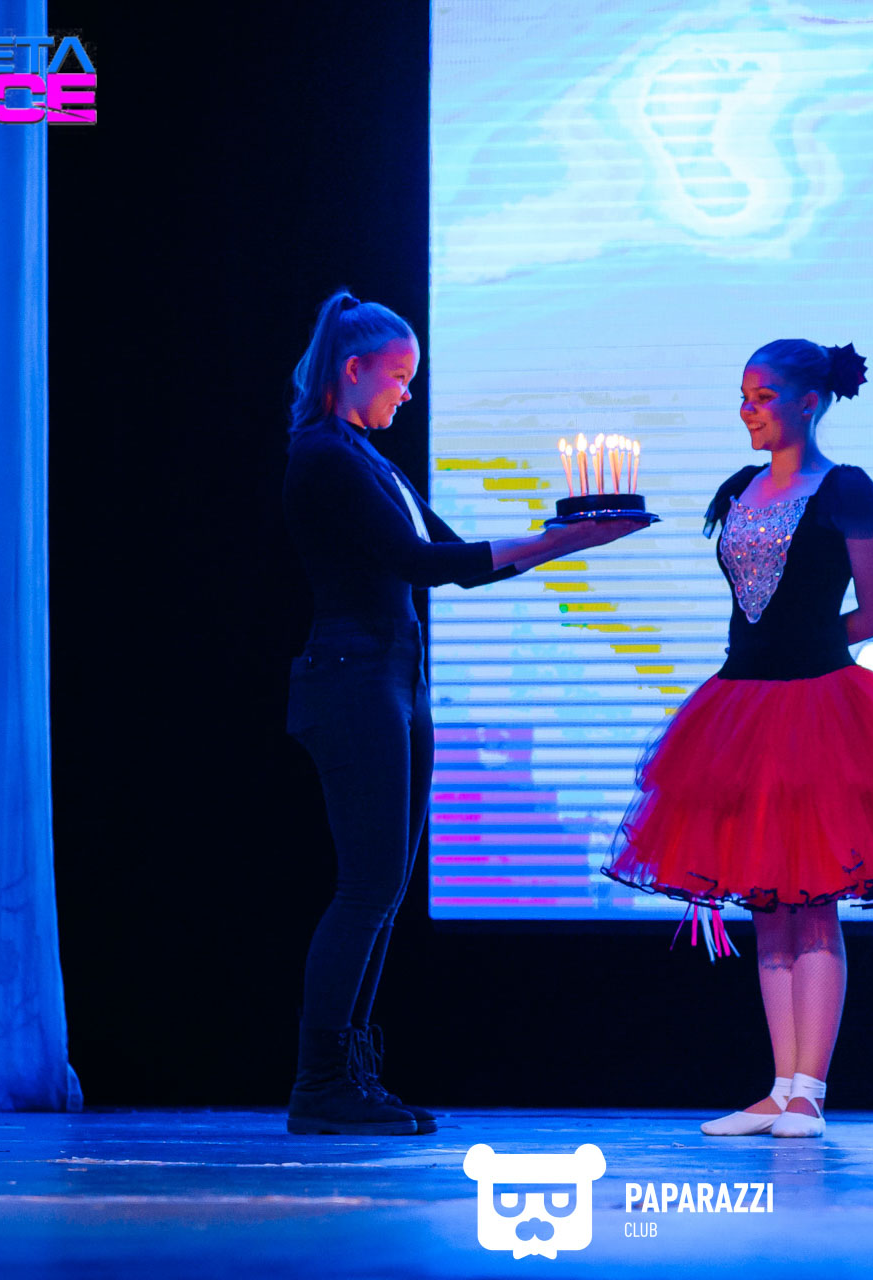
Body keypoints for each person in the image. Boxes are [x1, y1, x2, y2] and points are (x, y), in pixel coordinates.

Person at [603, 339, 873, 1138]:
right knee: (767, 905)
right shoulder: (737, 489)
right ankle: (780, 1088)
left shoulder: (846, 490)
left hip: (819, 708)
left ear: (809, 401)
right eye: (743, 396)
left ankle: (810, 1090)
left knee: (813, 902)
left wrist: (805, 646)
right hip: (738, 707)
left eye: (763, 396)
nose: (747, 411)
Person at [282, 290, 643, 1136]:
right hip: (352, 678)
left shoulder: (372, 461)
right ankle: (320, 1083)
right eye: (398, 377)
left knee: (384, 890)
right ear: (353, 369)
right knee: (366, 888)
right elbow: (421, 562)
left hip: (394, 680)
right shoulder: (325, 455)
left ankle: (349, 1079)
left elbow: (456, 559)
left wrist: (567, 539)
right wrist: (559, 541)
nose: (407, 393)